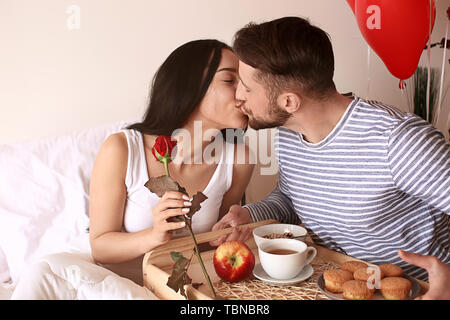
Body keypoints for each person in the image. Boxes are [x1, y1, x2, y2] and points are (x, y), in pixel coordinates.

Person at [211, 17, 450, 299]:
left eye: (247, 88)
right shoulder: (289, 133)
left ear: (289, 102)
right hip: (347, 288)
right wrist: (250, 214)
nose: (238, 96)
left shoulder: (397, 140)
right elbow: (290, 198)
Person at [11, 39, 254, 299]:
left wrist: (226, 237)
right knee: (45, 272)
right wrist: (155, 235)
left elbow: (208, 247)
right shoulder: (123, 149)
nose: (244, 92)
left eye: (245, 82)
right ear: (191, 86)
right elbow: (101, 246)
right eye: (230, 81)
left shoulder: (239, 159)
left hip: (170, 289)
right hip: (106, 284)